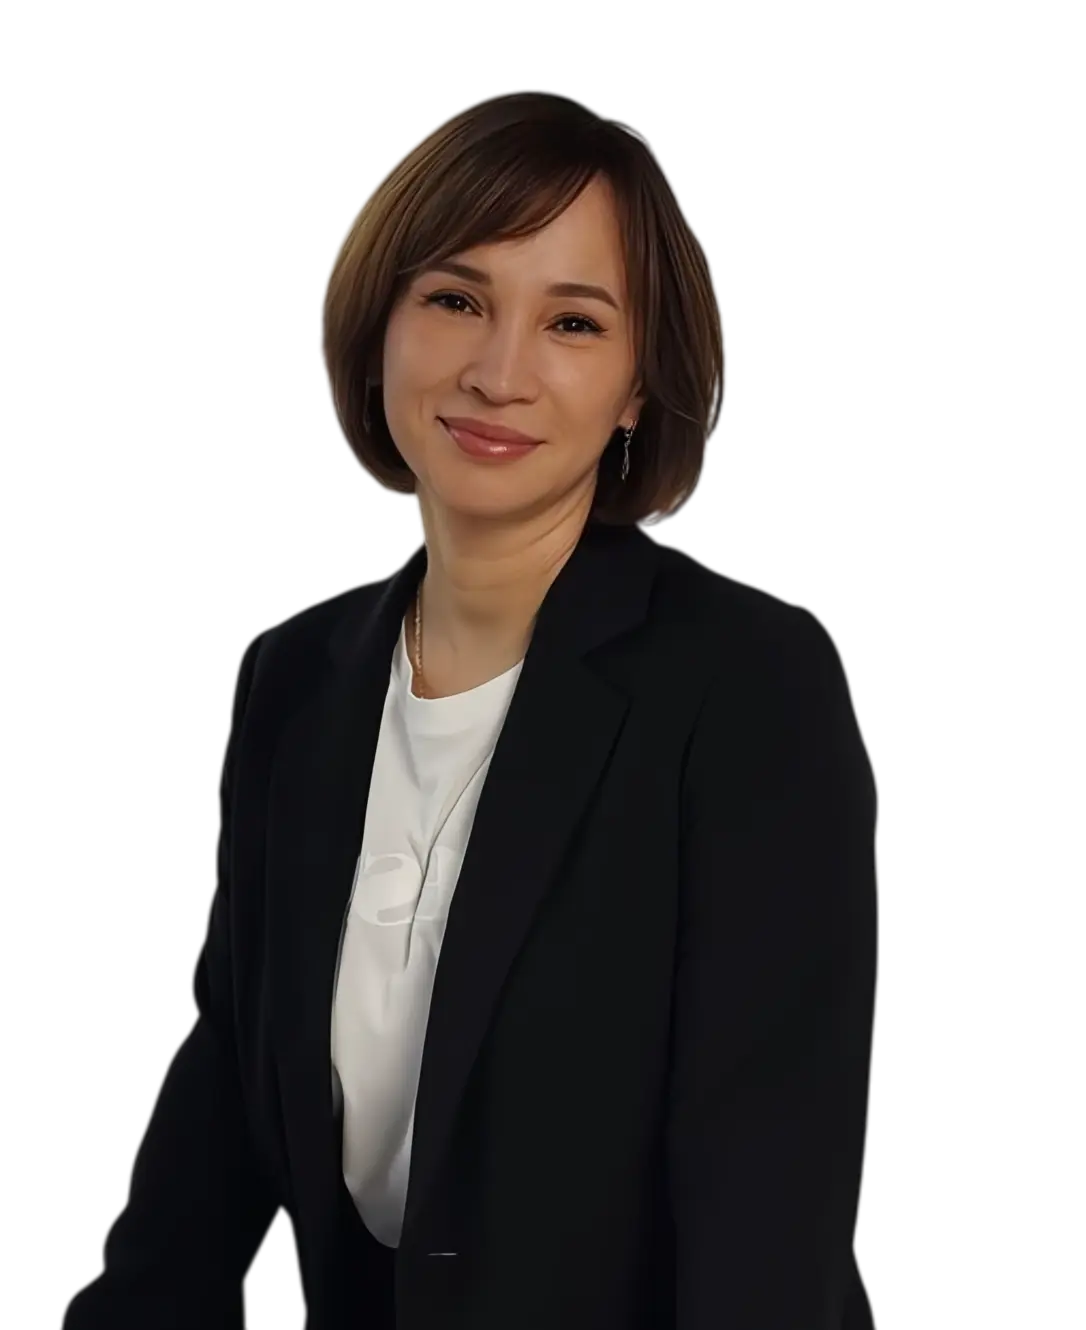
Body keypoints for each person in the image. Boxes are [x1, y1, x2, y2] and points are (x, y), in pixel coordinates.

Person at [68, 90, 875, 1329]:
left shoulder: (747, 683)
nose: (499, 373)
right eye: (455, 300)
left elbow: (766, 1197)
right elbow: (229, 1082)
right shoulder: (297, 677)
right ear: (377, 327)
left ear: (636, 390)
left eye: (573, 322)